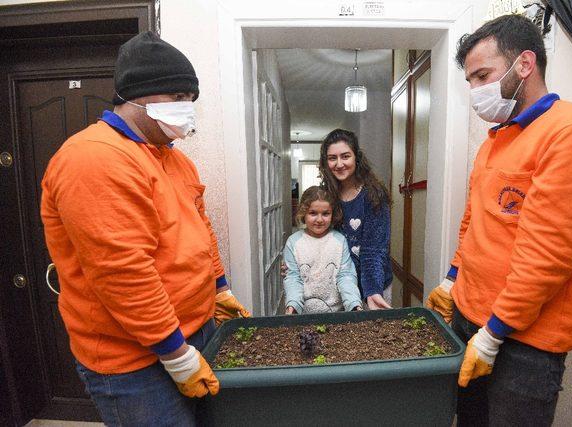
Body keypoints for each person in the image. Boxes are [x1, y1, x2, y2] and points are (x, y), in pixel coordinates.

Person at [425, 15, 572, 426]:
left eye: (482, 75)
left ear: (524, 64)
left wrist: (494, 332)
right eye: (469, 81)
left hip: (521, 343)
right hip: (470, 318)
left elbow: (548, 255)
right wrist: (452, 278)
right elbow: (475, 222)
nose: (475, 91)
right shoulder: (496, 141)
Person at [40, 31, 250, 426]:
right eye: (177, 98)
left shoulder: (174, 160)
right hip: (136, 362)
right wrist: (176, 354)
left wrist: (219, 289)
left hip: (196, 331)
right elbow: (123, 272)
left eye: (191, 100)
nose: (187, 109)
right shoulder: (94, 158)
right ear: (138, 96)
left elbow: (201, 229)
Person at [319, 129, 393, 310]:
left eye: (345, 156)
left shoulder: (374, 195)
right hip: (336, 288)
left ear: (356, 158)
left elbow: (374, 250)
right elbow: (317, 237)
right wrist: (297, 261)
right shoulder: (325, 195)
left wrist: (372, 290)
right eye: (332, 158)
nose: (339, 164)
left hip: (372, 288)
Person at [283, 186, 362, 314]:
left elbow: (346, 275)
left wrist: (353, 303)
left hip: (337, 313)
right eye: (313, 213)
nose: (319, 220)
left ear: (332, 214)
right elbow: (293, 278)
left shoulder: (339, 240)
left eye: (325, 214)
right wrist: (292, 304)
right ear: (304, 213)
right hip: (302, 314)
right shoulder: (293, 242)